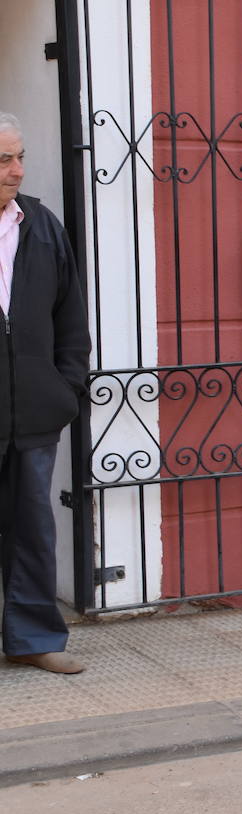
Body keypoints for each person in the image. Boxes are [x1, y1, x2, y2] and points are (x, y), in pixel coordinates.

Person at [0, 112, 91, 675]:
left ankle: (33, 638)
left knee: (33, 526)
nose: (18, 170)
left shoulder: (41, 223)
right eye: (4, 161)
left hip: (34, 408)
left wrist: (66, 386)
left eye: (19, 157)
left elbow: (70, 316)